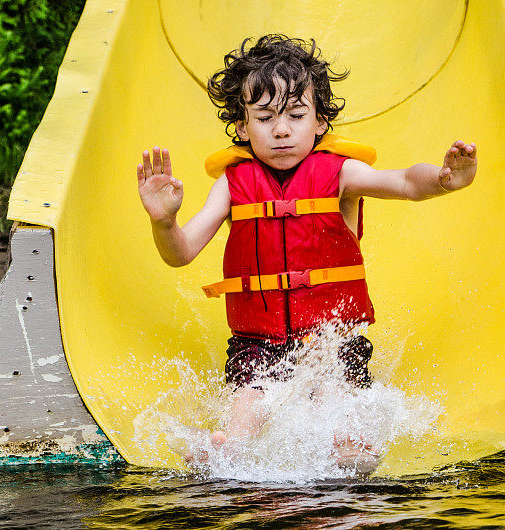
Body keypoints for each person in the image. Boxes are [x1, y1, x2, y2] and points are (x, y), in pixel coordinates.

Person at [136, 35, 477, 472]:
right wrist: (163, 221)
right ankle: (225, 451)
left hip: (331, 338)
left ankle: (349, 449)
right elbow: (180, 253)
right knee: (248, 403)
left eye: (296, 115)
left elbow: (407, 183)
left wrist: (446, 178)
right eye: (264, 117)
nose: (281, 129)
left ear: (319, 123)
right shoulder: (232, 185)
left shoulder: (340, 173)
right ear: (242, 127)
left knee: (333, 398)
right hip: (257, 341)